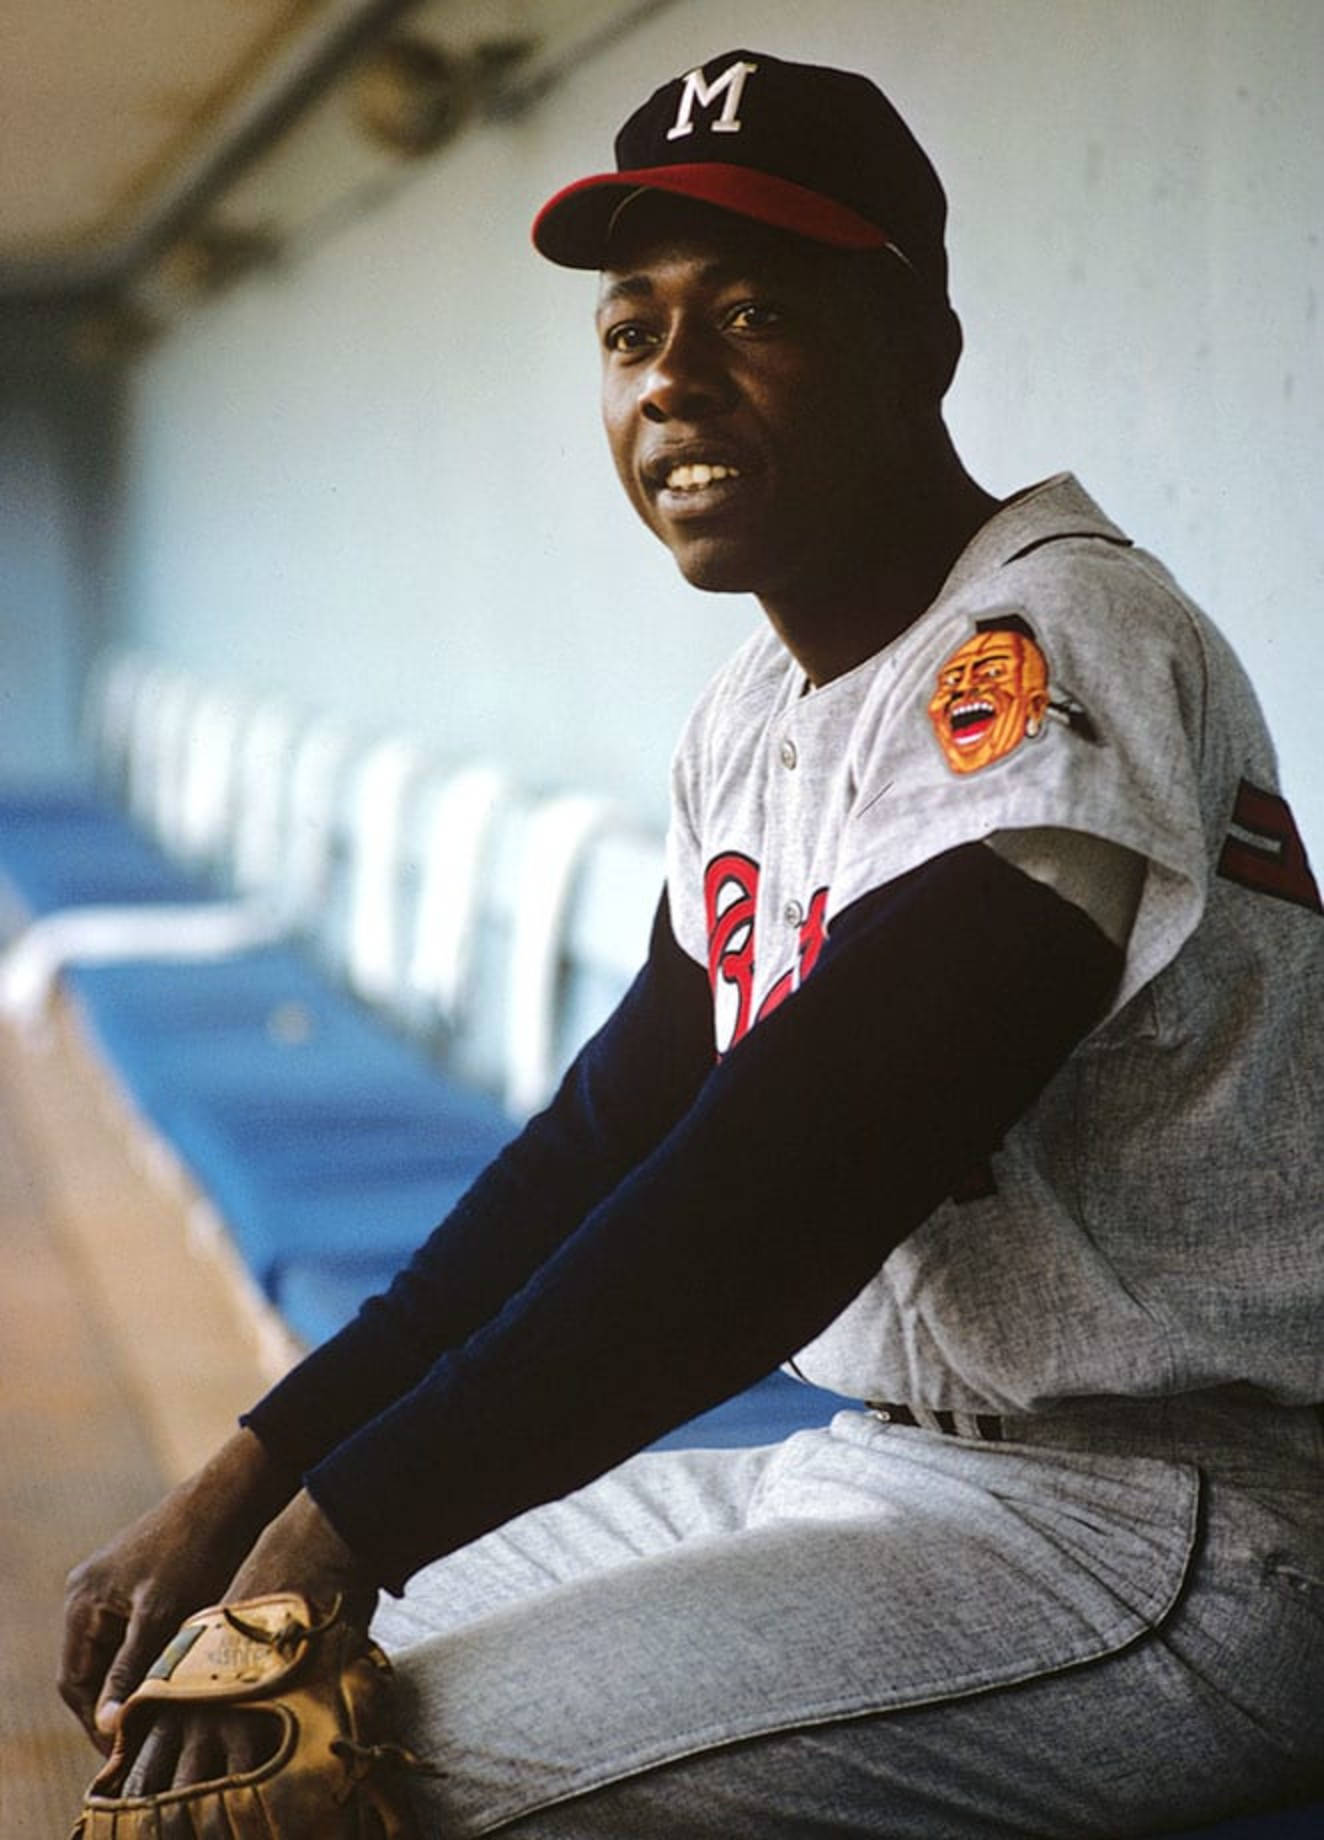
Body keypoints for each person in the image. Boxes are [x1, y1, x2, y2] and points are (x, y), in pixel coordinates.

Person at [60, 48, 1324, 1838]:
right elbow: (604, 1144)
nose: (674, 379)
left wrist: (341, 1532)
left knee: (321, 1789)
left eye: (752, 313)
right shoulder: (757, 715)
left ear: (919, 346)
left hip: (1173, 1525)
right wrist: (255, 1471)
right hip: (878, 1475)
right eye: (631, 331)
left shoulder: (1052, 649)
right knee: (211, 1737)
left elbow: (785, 1188)